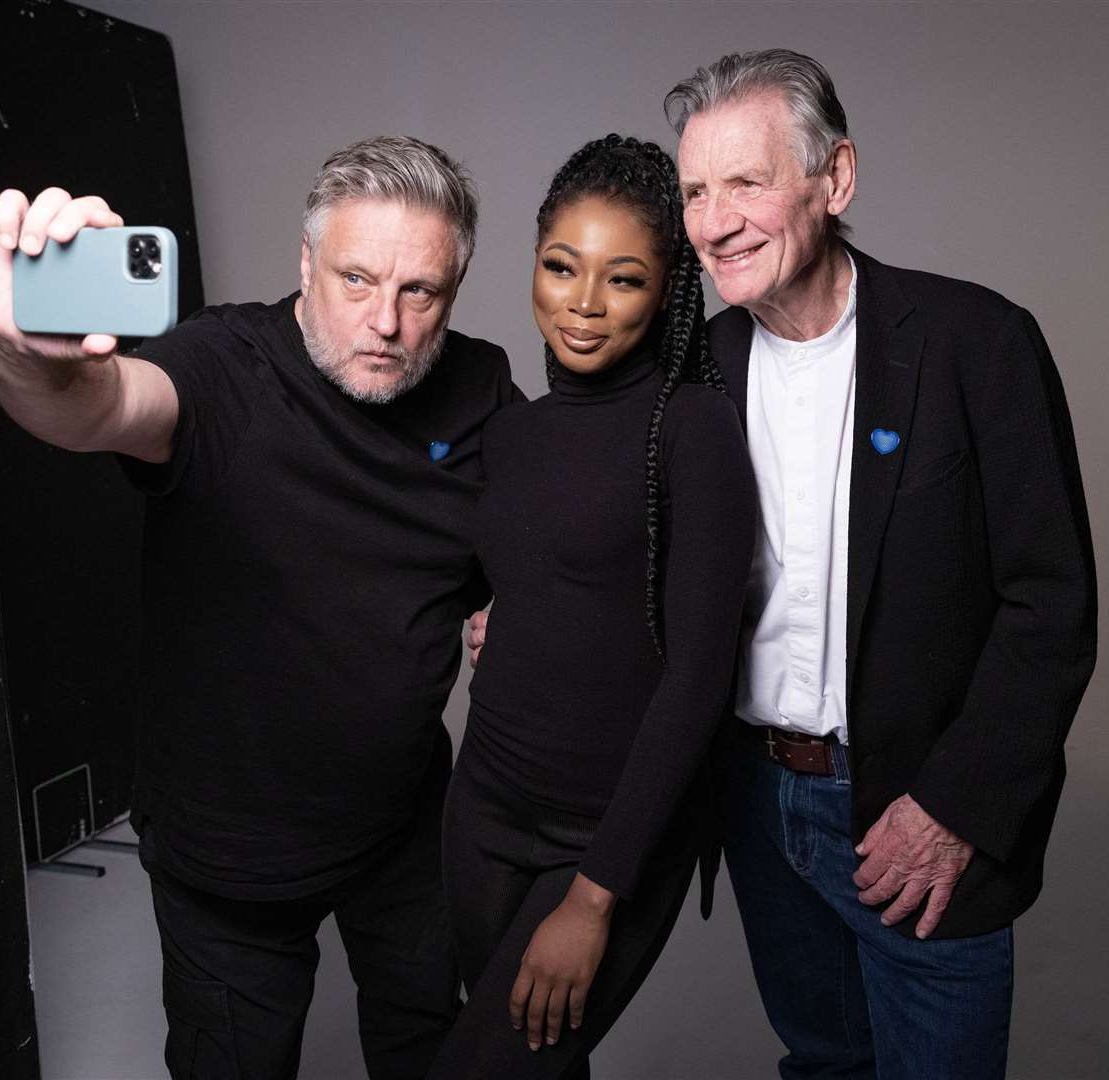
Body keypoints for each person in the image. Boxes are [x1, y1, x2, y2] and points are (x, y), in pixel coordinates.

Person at [0, 136, 520, 1080]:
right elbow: (97, 407)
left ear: (453, 292)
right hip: (230, 859)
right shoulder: (224, 364)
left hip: (404, 830)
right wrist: (20, 351)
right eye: (355, 278)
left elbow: (534, 525)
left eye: (418, 292)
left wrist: (517, 598)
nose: (384, 321)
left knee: (432, 1048)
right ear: (305, 263)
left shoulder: (479, 387)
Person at [674, 49, 1097, 1078]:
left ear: (836, 178)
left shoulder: (977, 343)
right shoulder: (693, 368)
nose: (713, 220)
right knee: (821, 1064)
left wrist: (956, 807)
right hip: (756, 802)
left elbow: (1050, 604)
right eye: (693, 191)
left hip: (913, 810)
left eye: (745, 182)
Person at [427, 135, 756, 1079]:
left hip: (608, 839)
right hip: (483, 812)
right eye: (560, 266)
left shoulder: (689, 430)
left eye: (623, 280)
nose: (581, 303)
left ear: (665, 294)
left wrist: (593, 897)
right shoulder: (516, 431)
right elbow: (528, 582)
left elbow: (698, 679)